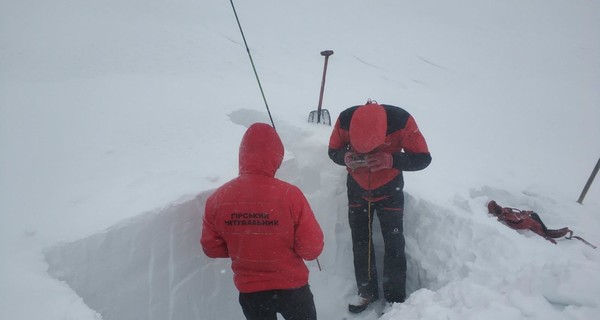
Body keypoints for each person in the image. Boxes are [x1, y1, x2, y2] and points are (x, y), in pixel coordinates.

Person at [201, 122, 324, 320]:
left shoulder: (218, 198)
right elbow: (311, 249)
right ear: (276, 157)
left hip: (251, 293)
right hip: (293, 289)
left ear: (242, 155)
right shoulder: (290, 195)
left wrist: (244, 247)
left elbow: (211, 248)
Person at [328, 100, 431, 313]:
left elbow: (423, 159)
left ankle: (394, 301)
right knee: (360, 241)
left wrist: (391, 159)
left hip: (389, 189)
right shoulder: (345, 119)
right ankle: (366, 291)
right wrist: (344, 157)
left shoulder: (401, 121)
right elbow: (333, 151)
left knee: (394, 243)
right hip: (357, 187)